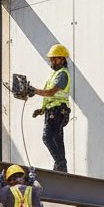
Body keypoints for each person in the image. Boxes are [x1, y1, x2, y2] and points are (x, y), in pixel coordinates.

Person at [31, 44, 71, 172]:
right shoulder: (54, 75)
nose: (52, 61)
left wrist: (34, 90)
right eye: (51, 59)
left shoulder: (62, 74)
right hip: (53, 110)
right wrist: (42, 110)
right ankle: (61, 165)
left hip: (58, 110)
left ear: (63, 59)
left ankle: (60, 163)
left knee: (49, 137)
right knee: (56, 137)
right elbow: (49, 96)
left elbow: (51, 92)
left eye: (55, 59)